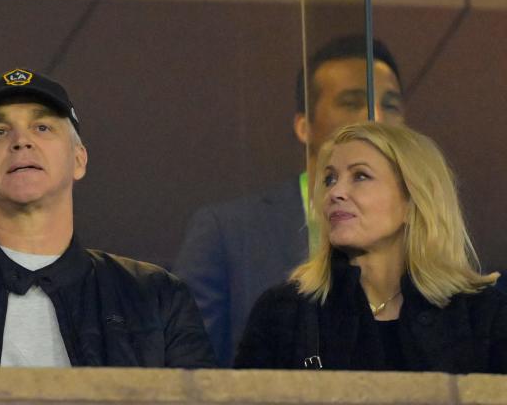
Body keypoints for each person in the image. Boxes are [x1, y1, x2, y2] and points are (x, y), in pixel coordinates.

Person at [0, 68, 216, 367]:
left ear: (79, 159)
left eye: (42, 127)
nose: (21, 141)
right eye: (0, 131)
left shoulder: (157, 296)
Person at [173, 35, 405, 366]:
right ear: (304, 126)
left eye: (392, 104)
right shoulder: (227, 232)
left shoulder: (426, 234)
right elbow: (190, 375)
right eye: (353, 102)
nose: (376, 117)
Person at [234, 122, 506, 372]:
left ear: (413, 202)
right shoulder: (284, 312)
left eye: (360, 176)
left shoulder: (483, 315)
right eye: (330, 179)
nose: (335, 193)